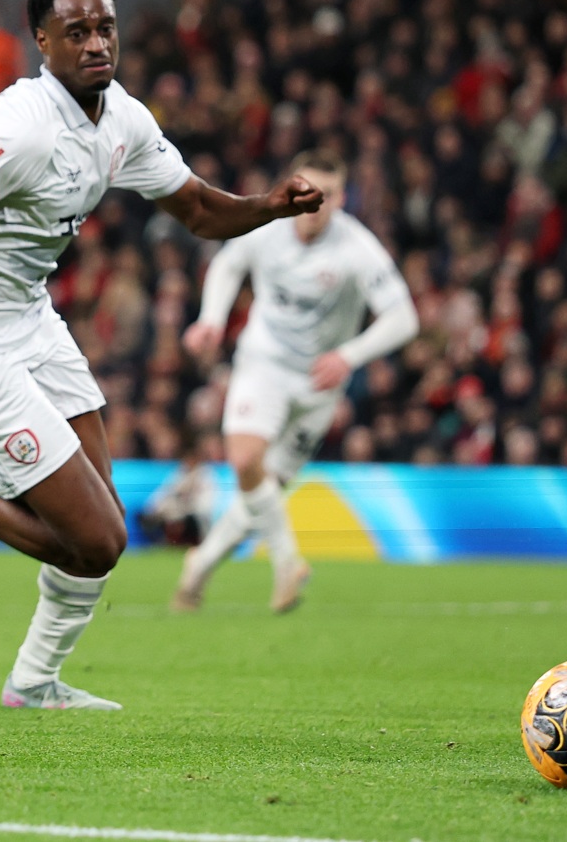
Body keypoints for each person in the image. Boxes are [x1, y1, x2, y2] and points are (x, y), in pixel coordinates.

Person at [0, 0, 323, 710]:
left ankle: (33, 682)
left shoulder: (123, 120)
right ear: (41, 40)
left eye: (104, 27)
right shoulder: (17, 127)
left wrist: (271, 205)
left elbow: (201, 212)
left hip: (28, 320)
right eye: (74, 31)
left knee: (100, 522)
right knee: (96, 541)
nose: (94, 43)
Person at [173, 151, 418, 613]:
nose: (315, 205)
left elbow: (404, 317)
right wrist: (212, 319)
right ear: (293, 185)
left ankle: (198, 568)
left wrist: (349, 356)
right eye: (307, 191)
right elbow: (228, 264)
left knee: (262, 495)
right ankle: (288, 564)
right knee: (246, 461)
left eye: (326, 196)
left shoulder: (356, 247)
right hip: (264, 363)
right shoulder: (266, 223)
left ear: (342, 199)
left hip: (320, 385)